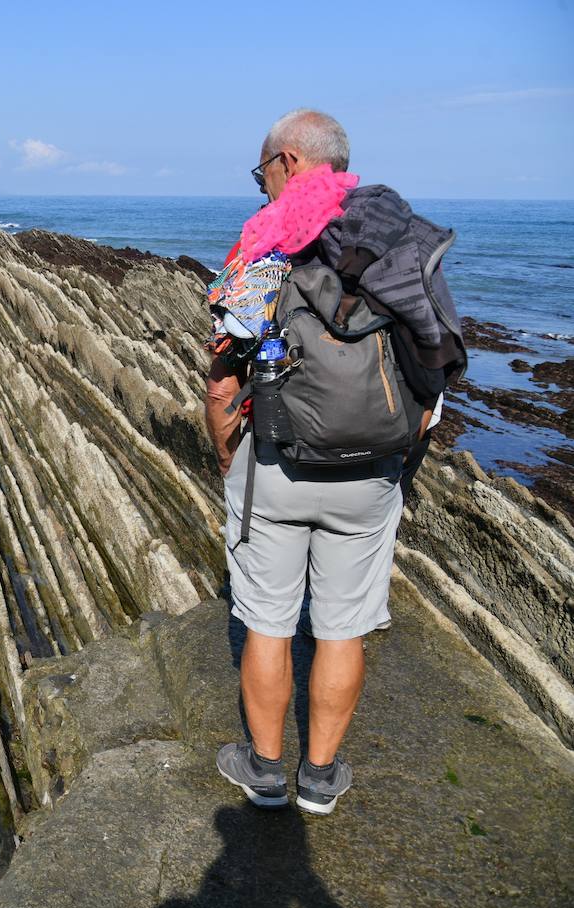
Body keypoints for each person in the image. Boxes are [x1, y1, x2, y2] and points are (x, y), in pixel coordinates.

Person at [208, 109, 458, 817]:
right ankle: (319, 779)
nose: (262, 190)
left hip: (277, 467)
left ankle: (262, 773)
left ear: (288, 161)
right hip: (370, 475)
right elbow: (435, 368)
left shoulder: (265, 246)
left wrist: (229, 448)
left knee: (266, 623)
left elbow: (224, 372)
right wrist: (397, 457)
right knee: (343, 628)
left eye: (263, 174)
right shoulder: (399, 239)